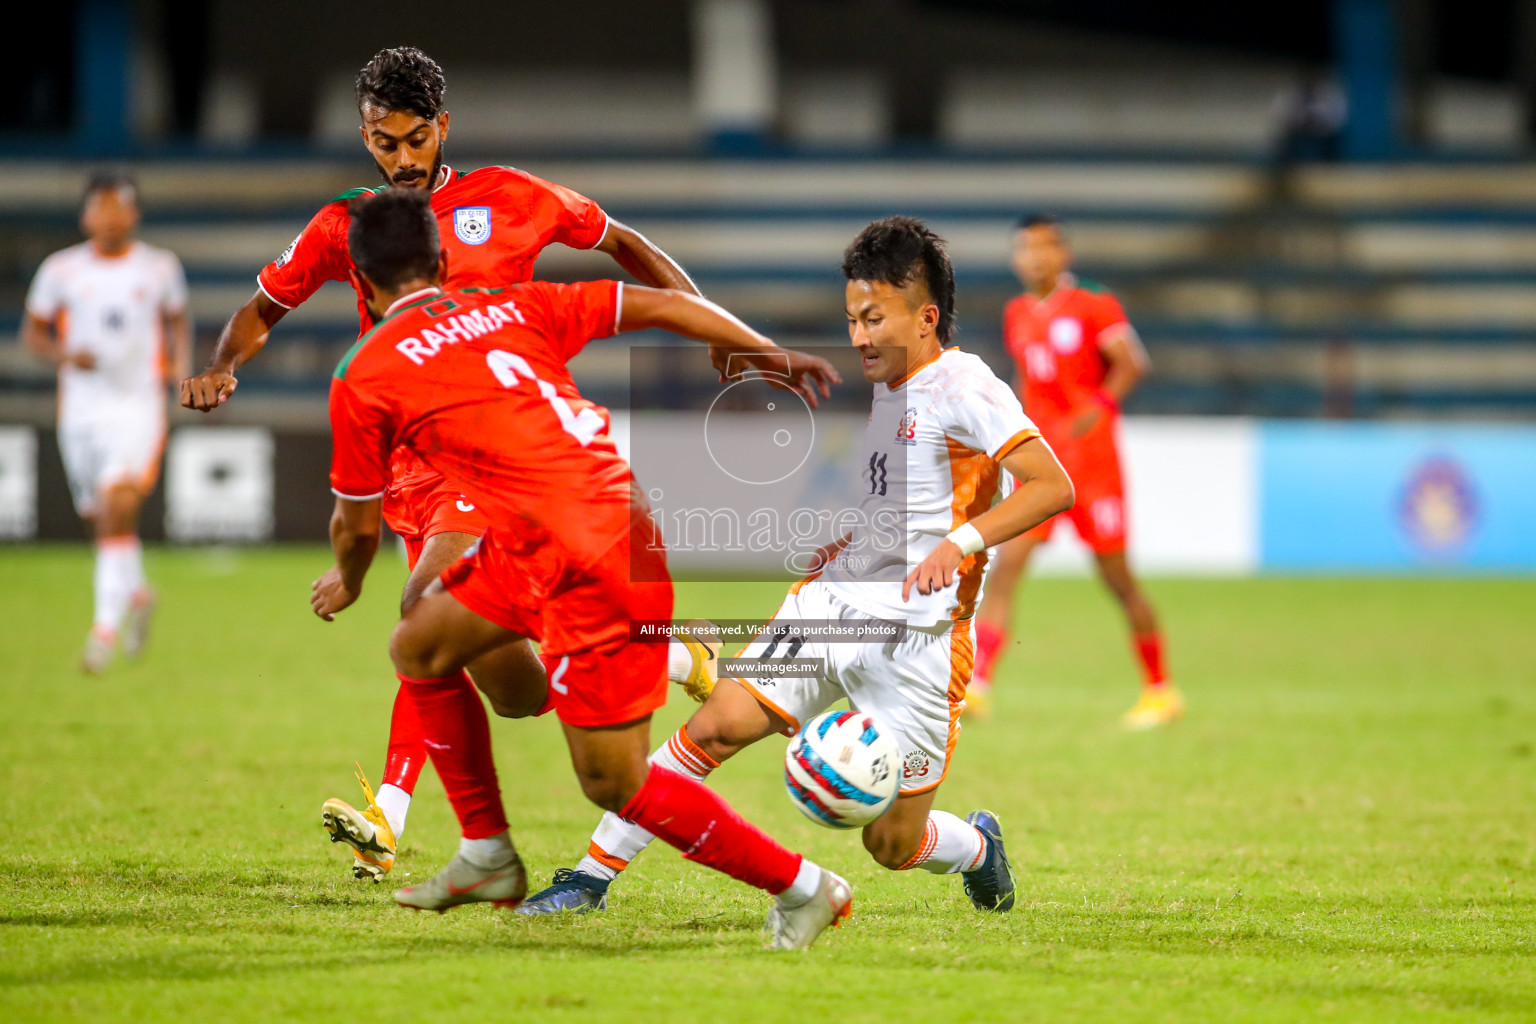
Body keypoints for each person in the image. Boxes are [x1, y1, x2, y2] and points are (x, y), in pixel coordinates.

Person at [178, 47, 715, 879]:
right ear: (364, 135)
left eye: (416, 138)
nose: (401, 158)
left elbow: (623, 243)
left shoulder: (512, 197)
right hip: (411, 462)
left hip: (509, 451)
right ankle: (673, 655)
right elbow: (263, 307)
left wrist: (708, 320)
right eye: (384, 141)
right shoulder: (348, 224)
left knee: (424, 604)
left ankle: (393, 818)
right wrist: (224, 364)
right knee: (517, 690)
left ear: (443, 129)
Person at [314, 187, 847, 949]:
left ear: (360, 284)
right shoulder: (514, 303)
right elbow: (657, 304)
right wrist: (755, 346)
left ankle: (806, 887)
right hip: (579, 525)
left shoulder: (364, 372)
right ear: (440, 260)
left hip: (584, 554)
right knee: (420, 643)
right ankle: (487, 854)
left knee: (615, 782)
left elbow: (355, 523)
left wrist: (349, 579)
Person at [515, 217, 1074, 918]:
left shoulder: (965, 385)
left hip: (920, 647)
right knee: (715, 729)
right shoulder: (896, 383)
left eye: (874, 319)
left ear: (927, 317)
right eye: (851, 319)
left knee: (892, 844)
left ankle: (976, 849)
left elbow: (1053, 485)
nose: (859, 336)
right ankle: (588, 879)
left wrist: (957, 545)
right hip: (831, 611)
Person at [971, 213, 1184, 729]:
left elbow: (1131, 361)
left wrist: (1100, 407)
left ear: (1062, 254)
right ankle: (977, 685)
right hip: (1042, 465)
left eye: (1045, 248)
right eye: (1025, 249)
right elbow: (1026, 377)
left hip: (1093, 467)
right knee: (1005, 567)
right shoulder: (1017, 312)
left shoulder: (1093, 303)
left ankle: (1160, 689)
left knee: (1117, 579)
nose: (1035, 258)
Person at [22, 172, 191, 674]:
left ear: (134, 214)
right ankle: (137, 593)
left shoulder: (160, 268)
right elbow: (33, 334)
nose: (111, 218)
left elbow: (178, 321)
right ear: (86, 216)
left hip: (138, 406)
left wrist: (181, 371)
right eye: (102, 208)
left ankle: (102, 633)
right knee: (101, 521)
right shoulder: (61, 271)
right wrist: (65, 355)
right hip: (80, 411)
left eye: (120, 208)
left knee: (119, 507)